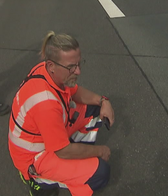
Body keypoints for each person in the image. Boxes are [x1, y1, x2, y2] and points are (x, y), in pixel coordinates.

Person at [8, 32, 114, 196]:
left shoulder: (46, 71)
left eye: (79, 64)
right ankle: (37, 180)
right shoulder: (45, 104)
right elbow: (62, 151)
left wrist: (102, 101)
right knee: (101, 173)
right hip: (35, 156)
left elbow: (75, 91)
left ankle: (76, 157)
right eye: (71, 67)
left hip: (47, 137)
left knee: (93, 109)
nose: (78, 71)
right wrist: (100, 151)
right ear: (51, 66)